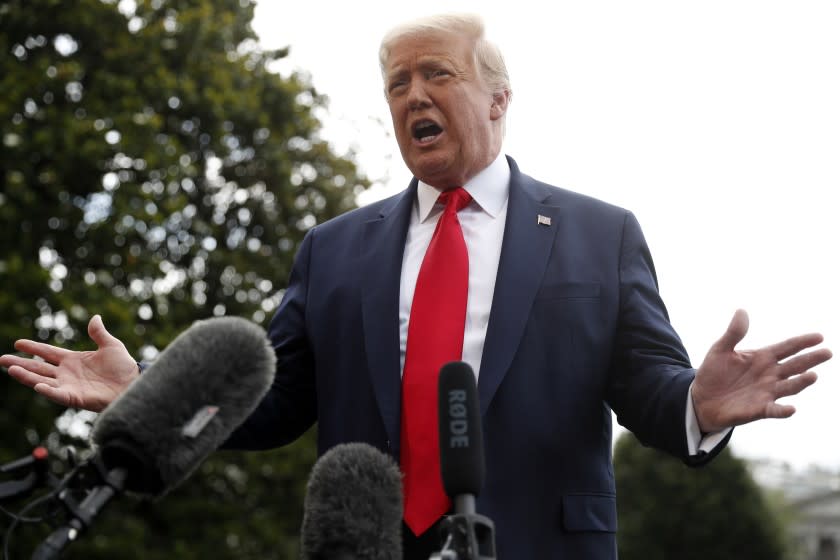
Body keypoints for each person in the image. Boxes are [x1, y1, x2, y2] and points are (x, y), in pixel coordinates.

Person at [0, 13, 832, 560]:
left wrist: (698, 404)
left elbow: (649, 390)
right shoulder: (334, 250)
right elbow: (276, 399)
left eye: (435, 74)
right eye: (396, 84)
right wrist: (147, 392)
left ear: (500, 98)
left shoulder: (599, 234)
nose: (412, 97)